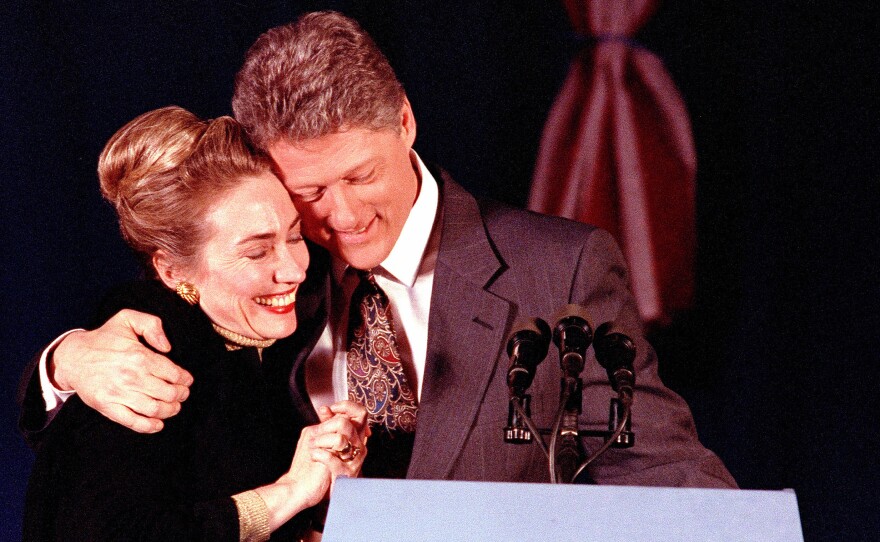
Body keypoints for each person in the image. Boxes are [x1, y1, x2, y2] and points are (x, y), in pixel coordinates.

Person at [20, 11, 736, 488]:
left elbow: (661, 471)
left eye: (360, 175)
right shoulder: (253, 269)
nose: (345, 216)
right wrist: (66, 361)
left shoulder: (560, 270)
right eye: (310, 193)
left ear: (404, 120)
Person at [21, 106, 368, 541]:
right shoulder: (140, 365)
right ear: (172, 272)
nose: (294, 269)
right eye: (257, 252)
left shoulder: (259, 333)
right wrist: (291, 492)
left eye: (294, 236)